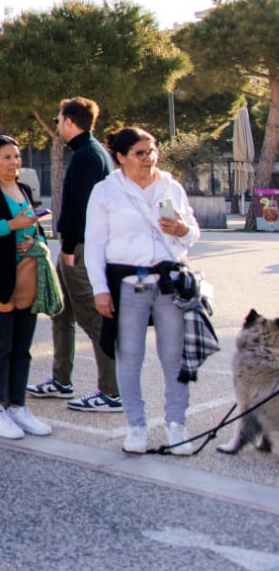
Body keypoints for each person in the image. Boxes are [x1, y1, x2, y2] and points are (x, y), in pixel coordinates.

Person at [85, 127, 201, 454]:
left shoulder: (170, 186)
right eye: (140, 153)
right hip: (127, 283)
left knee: (173, 356)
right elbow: (94, 245)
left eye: (152, 151)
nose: (149, 158)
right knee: (130, 356)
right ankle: (136, 426)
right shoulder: (105, 192)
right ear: (120, 157)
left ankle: (177, 425)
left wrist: (183, 229)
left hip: (168, 282)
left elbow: (192, 231)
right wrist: (100, 290)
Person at [26, 97, 121, 412]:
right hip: (78, 246)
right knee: (60, 312)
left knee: (92, 319)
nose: (55, 125)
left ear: (69, 121)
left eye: (57, 119)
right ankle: (61, 380)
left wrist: (67, 251)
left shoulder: (85, 157)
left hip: (79, 249)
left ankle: (112, 392)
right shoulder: (94, 153)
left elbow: (81, 209)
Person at [0, 135, 54, 440]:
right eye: (6, 157)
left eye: (16, 157)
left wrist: (36, 241)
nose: (14, 163)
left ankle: (17, 405)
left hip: (28, 275)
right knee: (1, 344)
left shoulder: (25, 189)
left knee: (22, 347)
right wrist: (11, 226)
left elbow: (38, 230)